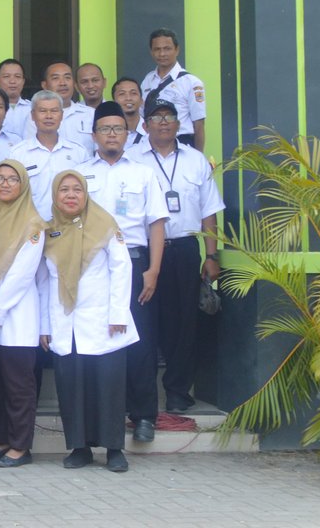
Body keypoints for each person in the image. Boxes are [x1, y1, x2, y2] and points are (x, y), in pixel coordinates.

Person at [80, 101, 168, 444]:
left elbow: (156, 224)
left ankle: (143, 415)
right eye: (105, 129)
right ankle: (102, 415)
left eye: (118, 128)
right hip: (91, 265)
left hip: (134, 263)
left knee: (140, 341)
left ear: (128, 134)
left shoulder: (143, 173)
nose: (112, 134)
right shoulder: (80, 174)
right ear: (94, 135)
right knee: (98, 337)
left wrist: (153, 270)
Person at [39, 169, 137, 472]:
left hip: (104, 322)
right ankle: (79, 448)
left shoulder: (104, 225)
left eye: (77, 189)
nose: (71, 195)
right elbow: (44, 283)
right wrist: (44, 326)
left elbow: (122, 269)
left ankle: (114, 450)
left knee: (108, 388)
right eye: (64, 189)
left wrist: (118, 313)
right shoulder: (49, 231)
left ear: (86, 194)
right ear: (55, 195)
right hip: (65, 324)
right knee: (72, 388)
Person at [138, 99, 224, 413]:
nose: (163, 122)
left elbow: (209, 210)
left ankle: (177, 392)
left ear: (178, 124)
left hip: (185, 250)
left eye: (169, 116)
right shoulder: (132, 159)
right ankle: (142, 395)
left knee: (184, 323)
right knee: (146, 322)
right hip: (145, 252)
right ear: (145, 125)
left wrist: (211, 256)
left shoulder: (195, 160)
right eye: (156, 117)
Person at [0, 159, 46, 468]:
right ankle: (3, 438)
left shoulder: (32, 224)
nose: (5, 184)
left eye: (12, 179)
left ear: (23, 185)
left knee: (18, 385)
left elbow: (21, 274)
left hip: (14, 314)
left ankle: (21, 446)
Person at [8, 92, 90, 220]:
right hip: (31, 226)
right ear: (33, 115)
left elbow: (86, 194)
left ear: (61, 115)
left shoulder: (78, 152)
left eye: (54, 111)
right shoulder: (18, 153)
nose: (49, 116)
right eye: (42, 111)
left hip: (70, 225)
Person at [141, 28, 207, 151]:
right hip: (151, 146)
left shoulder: (191, 82)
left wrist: (199, 157)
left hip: (182, 144)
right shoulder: (147, 80)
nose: (162, 54)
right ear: (151, 52)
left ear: (177, 50)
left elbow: (199, 125)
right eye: (157, 49)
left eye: (167, 49)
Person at [42, 62, 95, 151]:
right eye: (55, 78)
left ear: (74, 83)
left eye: (67, 77)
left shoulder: (91, 114)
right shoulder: (37, 116)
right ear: (45, 85)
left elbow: (100, 150)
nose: (62, 83)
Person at [111, 77, 151, 156]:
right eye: (122, 94)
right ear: (114, 102)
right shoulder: (108, 133)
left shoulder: (152, 130)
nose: (128, 98)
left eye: (133, 93)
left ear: (141, 101)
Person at [0, 59, 32, 143]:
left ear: (23, 81)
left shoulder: (33, 108)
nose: (12, 81)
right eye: (6, 76)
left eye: (17, 76)